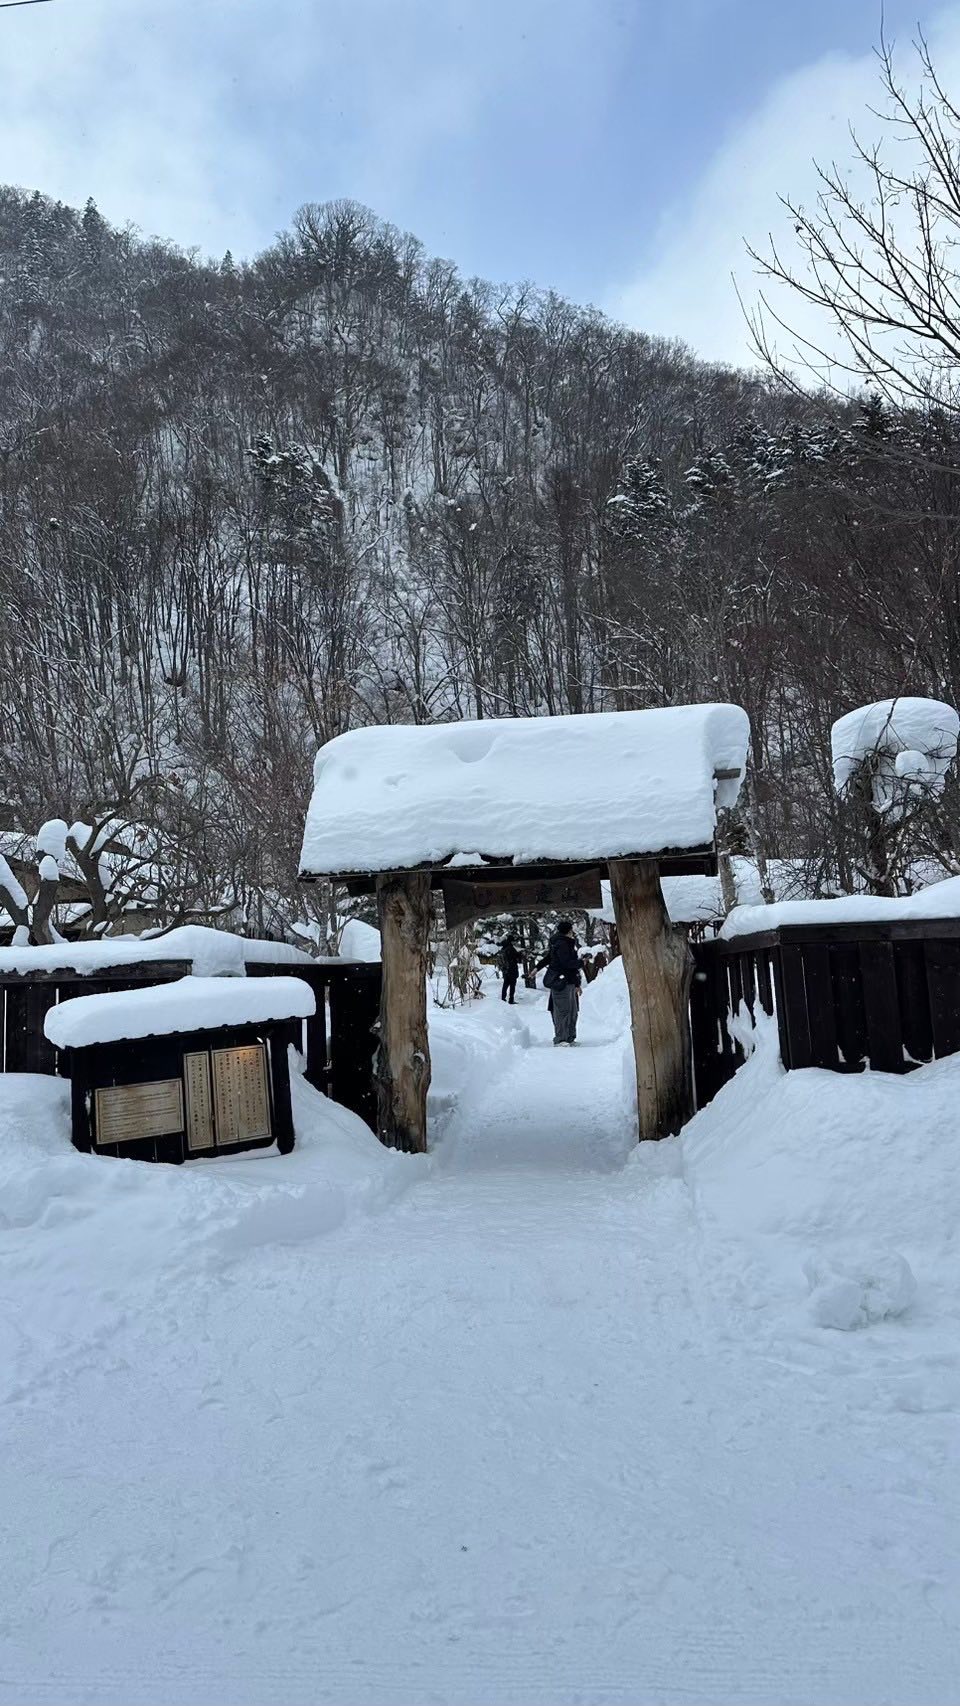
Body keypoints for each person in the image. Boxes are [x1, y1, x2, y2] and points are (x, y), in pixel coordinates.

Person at [541, 918, 582, 1046]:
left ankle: (569, 1037)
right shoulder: (561, 944)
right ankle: (561, 1038)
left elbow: (549, 959)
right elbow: (567, 964)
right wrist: (581, 963)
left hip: (569, 981)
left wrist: (576, 984)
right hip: (561, 982)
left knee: (572, 1011)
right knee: (563, 1011)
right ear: (569, 931)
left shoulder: (566, 943)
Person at [498, 933, 520, 1004]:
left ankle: (503, 998)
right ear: (511, 941)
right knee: (512, 985)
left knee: (505, 984)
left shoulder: (504, 948)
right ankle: (511, 999)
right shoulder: (511, 948)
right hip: (512, 969)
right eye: (513, 941)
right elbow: (516, 957)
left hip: (505, 969)